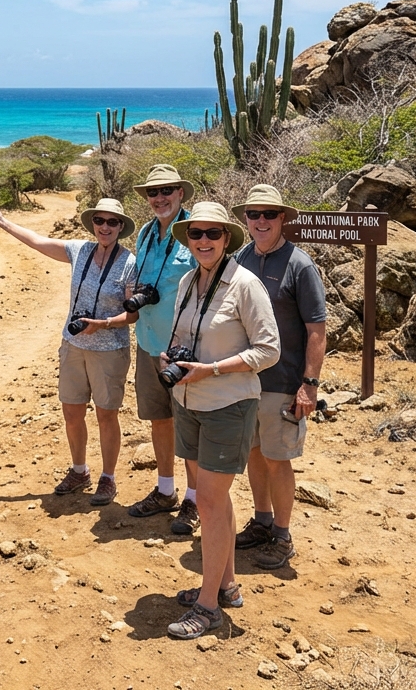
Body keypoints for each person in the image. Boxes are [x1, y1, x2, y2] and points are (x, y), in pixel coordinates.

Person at [162, 202, 279, 640]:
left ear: (227, 238)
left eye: (213, 233)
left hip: (228, 404)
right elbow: (181, 337)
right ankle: (225, 584)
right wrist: (169, 356)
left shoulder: (246, 285)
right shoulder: (189, 280)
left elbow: (269, 350)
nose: (204, 241)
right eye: (196, 234)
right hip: (190, 400)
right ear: (188, 240)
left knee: (209, 501)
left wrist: (212, 369)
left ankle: (208, 608)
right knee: (217, 499)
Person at [0, 198, 138, 506]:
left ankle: (108, 478)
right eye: (100, 221)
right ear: (93, 224)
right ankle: (80, 471)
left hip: (109, 350)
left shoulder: (129, 263)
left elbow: (132, 315)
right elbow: (38, 242)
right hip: (73, 345)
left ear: (120, 227)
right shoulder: (80, 251)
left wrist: (102, 323)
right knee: (72, 411)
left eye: (112, 222)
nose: (105, 227)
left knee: (106, 415)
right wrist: (4, 223)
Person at [231, 185, 327, 571]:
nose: (261, 221)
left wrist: (309, 385)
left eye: (269, 213)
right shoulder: (241, 258)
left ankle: (283, 536)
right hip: (246, 379)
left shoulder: (299, 265)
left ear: (283, 218)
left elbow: (317, 329)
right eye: (254, 214)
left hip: (284, 382)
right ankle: (262, 520)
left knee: (278, 458)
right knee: (254, 452)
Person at [124, 165, 199, 534]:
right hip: (150, 342)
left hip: (185, 349)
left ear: (181, 193)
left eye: (167, 190)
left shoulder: (195, 232)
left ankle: (194, 500)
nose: (160, 198)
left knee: (189, 425)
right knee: (160, 420)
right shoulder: (145, 234)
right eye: (154, 192)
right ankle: (165, 490)